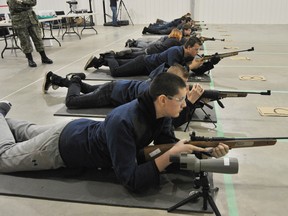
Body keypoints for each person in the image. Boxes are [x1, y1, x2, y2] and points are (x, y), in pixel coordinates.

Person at [0, 73, 229, 193]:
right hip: (60, 148)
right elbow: (131, 180)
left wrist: (205, 152)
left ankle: (3, 115)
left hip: (74, 130)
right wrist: (171, 156)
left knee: (27, 131)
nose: (184, 105)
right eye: (181, 100)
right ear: (162, 99)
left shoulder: (161, 115)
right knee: (4, 156)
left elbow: (166, 147)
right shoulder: (124, 121)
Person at [43, 63, 205, 128]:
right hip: (111, 93)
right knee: (72, 101)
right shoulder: (154, 94)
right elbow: (172, 122)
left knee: (88, 89)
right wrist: (189, 101)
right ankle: (76, 79)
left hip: (118, 87)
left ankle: (54, 78)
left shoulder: (160, 84)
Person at [84, 36, 220, 77]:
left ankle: (98, 61)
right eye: (196, 49)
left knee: (121, 63)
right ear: (188, 47)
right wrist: (190, 66)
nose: (197, 52)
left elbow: (198, 71)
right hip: (144, 63)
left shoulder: (188, 56)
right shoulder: (175, 51)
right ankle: (109, 56)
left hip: (147, 68)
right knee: (116, 72)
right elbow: (174, 71)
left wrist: (212, 63)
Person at [7, 0, 53, 67]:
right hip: (19, 21)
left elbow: (33, 2)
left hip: (31, 19)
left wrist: (22, 2)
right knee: (25, 41)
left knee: (38, 38)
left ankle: (44, 57)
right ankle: (30, 60)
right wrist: (27, 5)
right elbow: (14, 6)